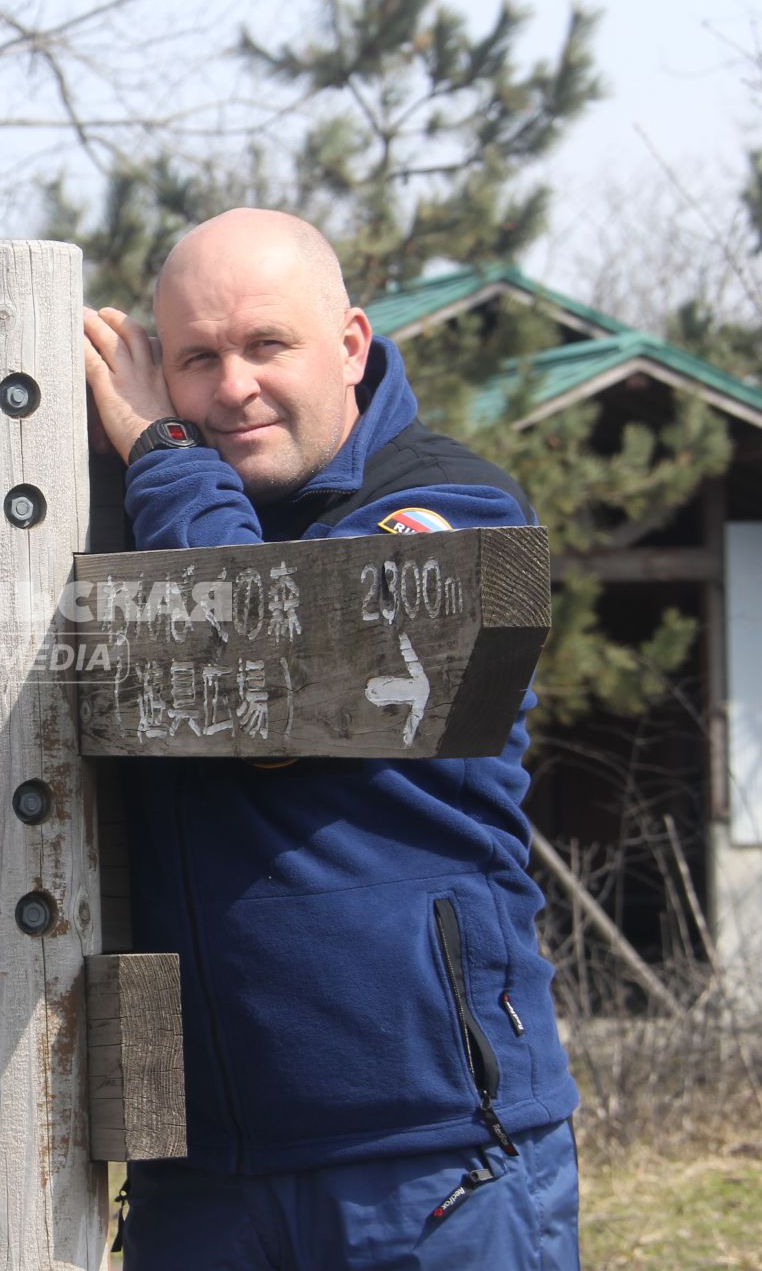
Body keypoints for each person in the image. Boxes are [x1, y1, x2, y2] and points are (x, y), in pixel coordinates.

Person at [80, 208, 581, 1270]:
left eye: (267, 345)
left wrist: (163, 455)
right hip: (196, 1171)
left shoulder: (459, 509)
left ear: (350, 342)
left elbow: (264, 682)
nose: (231, 389)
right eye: (195, 359)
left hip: (437, 1161)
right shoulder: (150, 514)